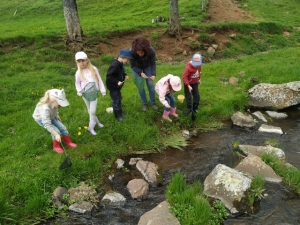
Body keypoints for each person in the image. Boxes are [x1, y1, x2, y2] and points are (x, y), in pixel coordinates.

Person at [32, 89, 77, 154]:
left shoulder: (54, 104)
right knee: (56, 131)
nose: (61, 106)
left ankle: (68, 142)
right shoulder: (45, 109)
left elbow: (55, 110)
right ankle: (56, 147)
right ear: (53, 101)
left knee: (63, 128)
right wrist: (56, 134)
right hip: (42, 120)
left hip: (52, 117)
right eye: (60, 104)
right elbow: (47, 124)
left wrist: (57, 116)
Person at [75, 51, 106, 135]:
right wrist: (79, 92)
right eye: (79, 61)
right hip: (85, 94)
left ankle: (90, 128)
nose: (81, 63)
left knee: (92, 111)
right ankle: (98, 123)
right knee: (90, 111)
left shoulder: (93, 69)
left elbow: (99, 80)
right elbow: (77, 83)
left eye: (83, 60)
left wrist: (103, 91)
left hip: (93, 93)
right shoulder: (78, 73)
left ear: (87, 60)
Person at [130, 37, 158, 112]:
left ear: (146, 50)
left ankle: (153, 102)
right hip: (137, 67)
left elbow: (153, 63)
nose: (140, 54)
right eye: (138, 53)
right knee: (140, 86)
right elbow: (132, 66)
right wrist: (140, 72)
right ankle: (145, 103)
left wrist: (153, 74)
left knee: (150, 84)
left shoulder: (151, 50)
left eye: (142, 52)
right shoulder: (132, 52)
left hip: (147, 66)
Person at [106, 49, 132, 122]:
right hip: (113, 86)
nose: (128, 61)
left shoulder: (120, 63)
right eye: (128, 59)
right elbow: (109, 76)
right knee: (116, 100)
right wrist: (117, 82)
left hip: (117, 87)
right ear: (123, 57)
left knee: (119, 98)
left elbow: (120, 72)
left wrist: (125, 75)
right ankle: (118, 116)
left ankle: (120, 113)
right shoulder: (115, 65)